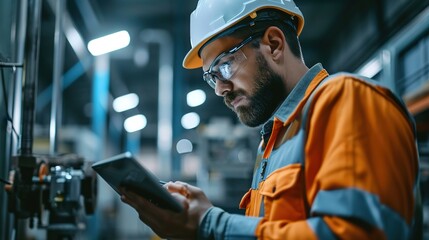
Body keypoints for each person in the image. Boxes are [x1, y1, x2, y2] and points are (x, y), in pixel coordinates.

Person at [120, 0, 422, 239]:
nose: (221, 89)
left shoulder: (347, 101)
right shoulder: (273, 141)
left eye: (225, 67)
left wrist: (212, 226)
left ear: (275, 44)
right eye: (212, 77)